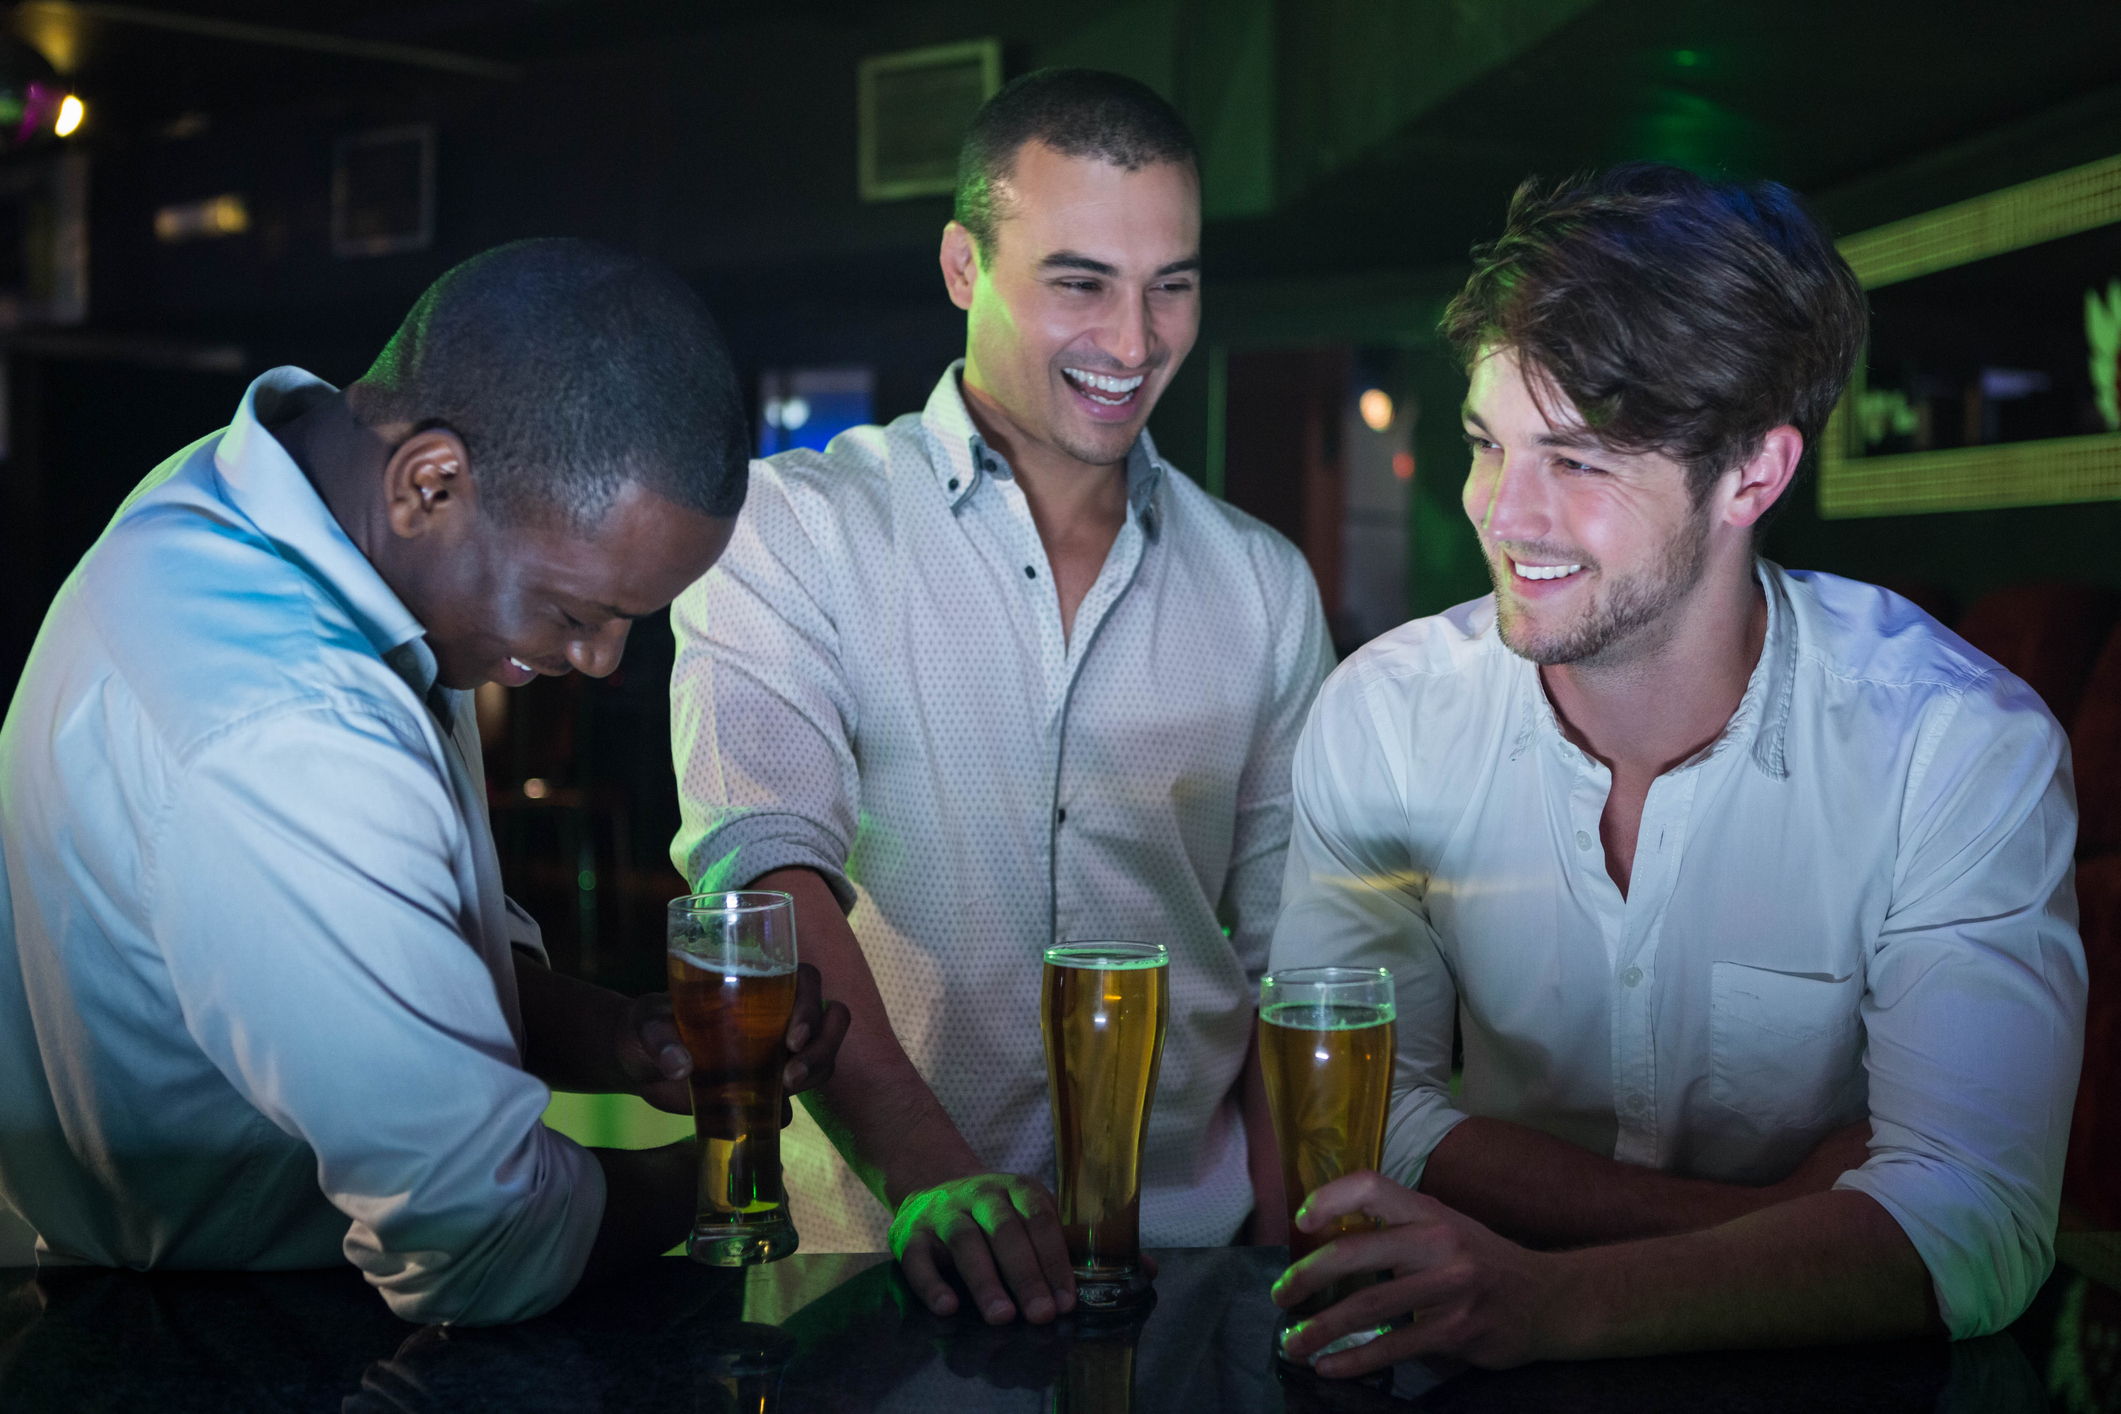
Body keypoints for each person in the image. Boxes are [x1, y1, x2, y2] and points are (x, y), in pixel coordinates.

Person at [1267, 165, 2086, 1372]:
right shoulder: (1383, 716)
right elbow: (1350, 1115)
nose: (1503, 512)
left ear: (1754, 474)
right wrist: (1763, 1222)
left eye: (1580, 461)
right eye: (1489, 445)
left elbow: (1974, 1221)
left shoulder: (1956, 746)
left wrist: (1553, 1299)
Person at [0, 239, 848, 1323]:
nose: (600, 663)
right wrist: (726, 1179)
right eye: (578, 611)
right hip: (223, 1345)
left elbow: (399, 948)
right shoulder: (287, 728)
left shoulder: (269, 501)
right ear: (429, 480)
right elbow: (479, 1239)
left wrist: (625, 1038)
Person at [670, 69, 1333, 1325]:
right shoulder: (793, 529)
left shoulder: (1263, 585)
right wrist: (937, 1178)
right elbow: (763, 876)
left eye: (1171, 285)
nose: (1134, 343)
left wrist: (1288, 1281)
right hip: (858, 1276)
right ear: (964, 266)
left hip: (1184, 1278)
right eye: (1080, 280)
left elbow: (1282, 963)